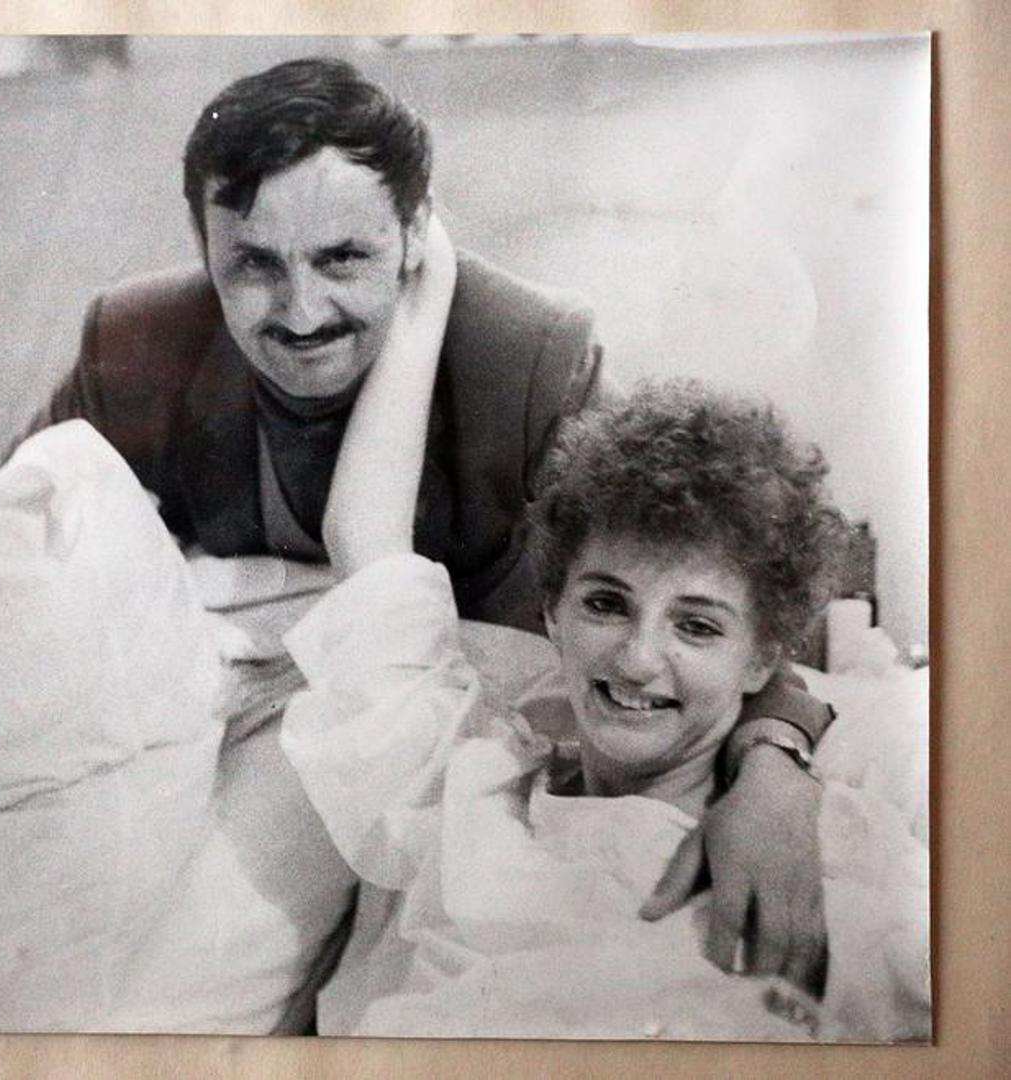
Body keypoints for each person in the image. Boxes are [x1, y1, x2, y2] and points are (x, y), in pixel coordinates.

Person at [0, 56, 833, 988]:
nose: (299, 312)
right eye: (254, 264)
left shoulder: (528, 353)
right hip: (242, 705)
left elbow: (717, 587)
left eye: (344, 259)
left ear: (415, 235)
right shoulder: (138, 341)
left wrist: (774, 766)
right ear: (203, 243)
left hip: (450, 734)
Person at [280, 251, 927, 1037]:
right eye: (605, 604)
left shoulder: (821, 855)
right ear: (551, 611)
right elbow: (363, 540)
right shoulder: (468, 787)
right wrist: (424, 266)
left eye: (695, 626)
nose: (636, 659)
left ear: (763, 657)